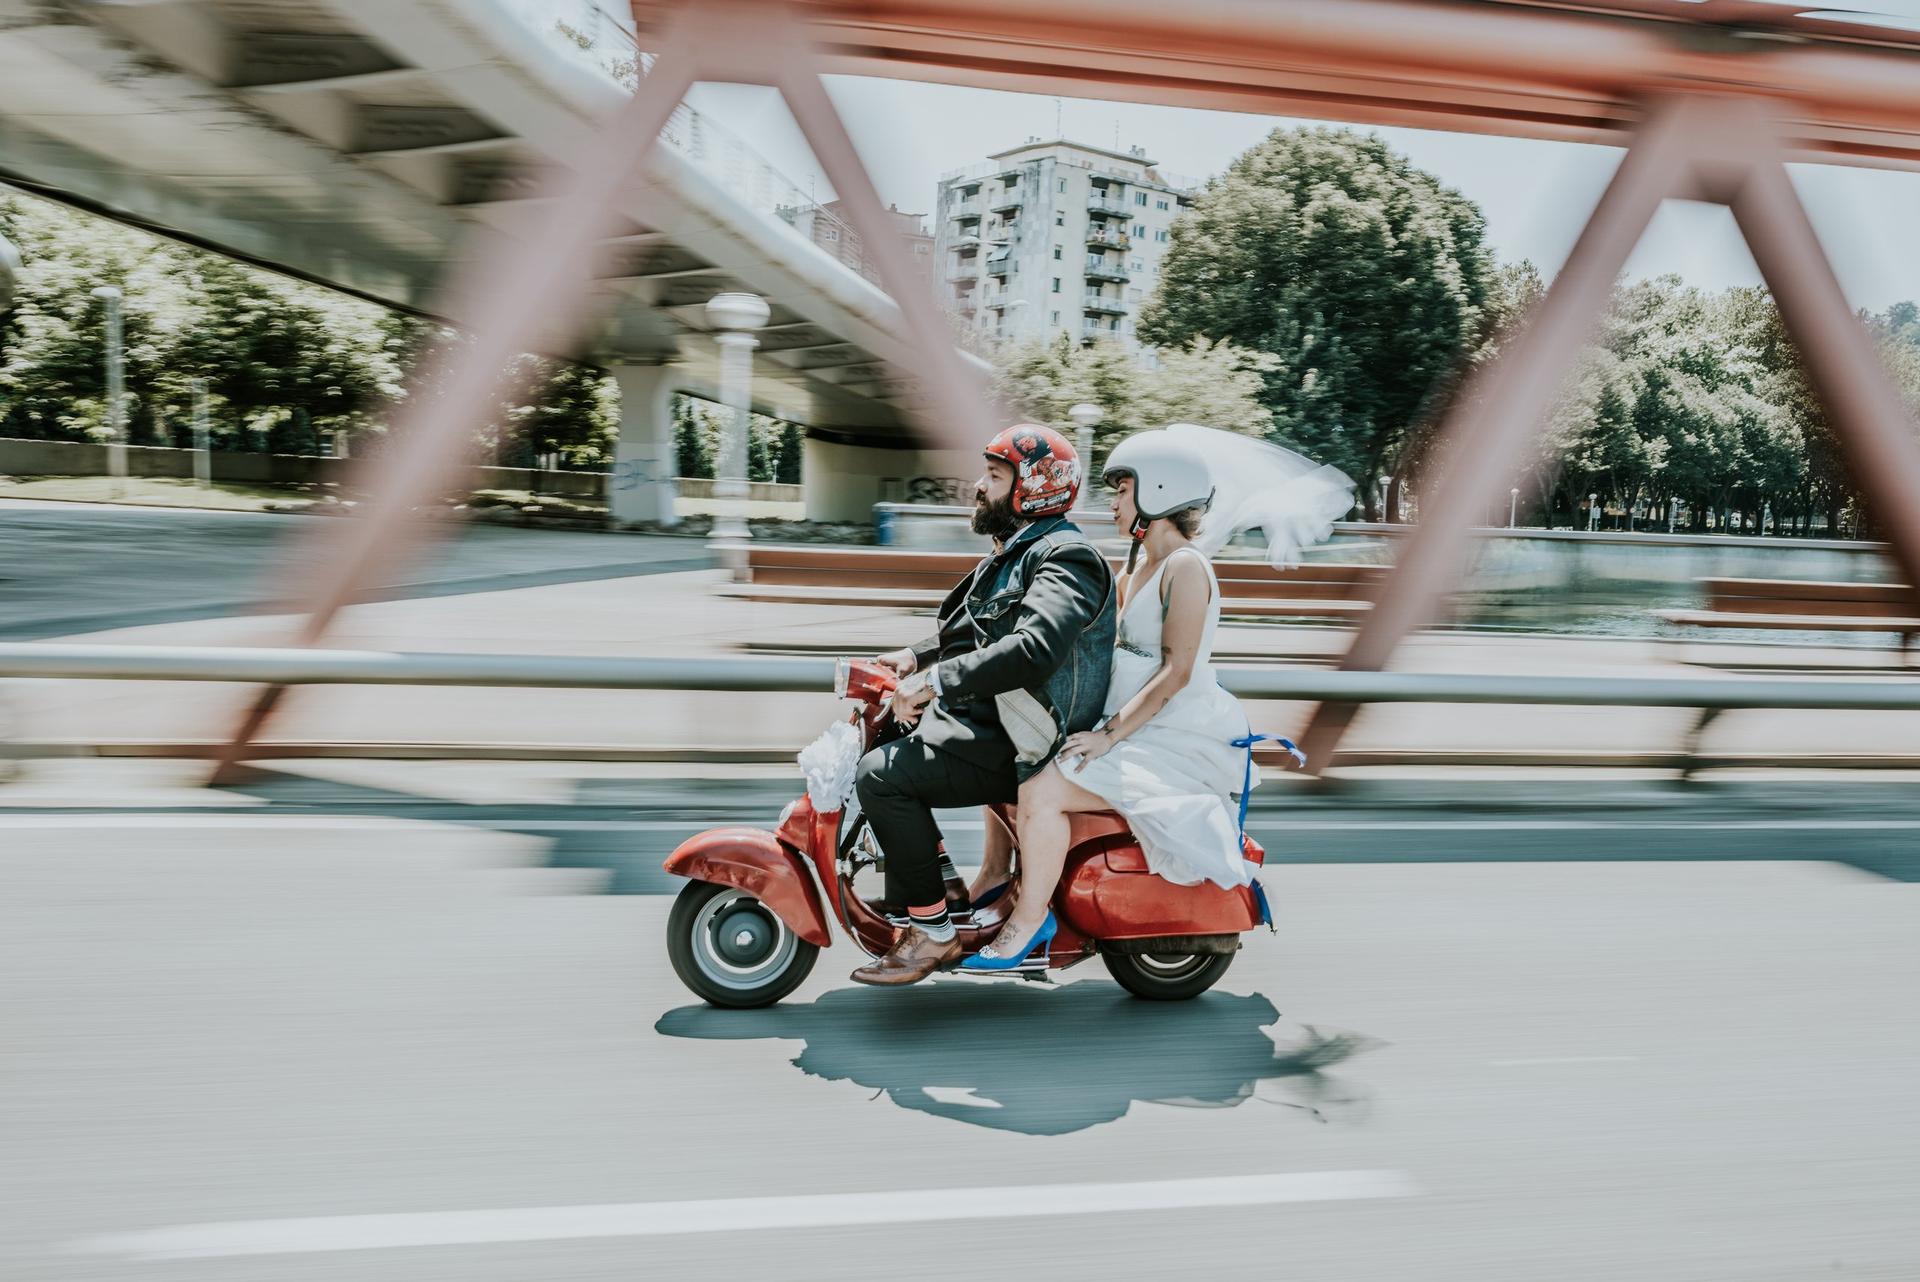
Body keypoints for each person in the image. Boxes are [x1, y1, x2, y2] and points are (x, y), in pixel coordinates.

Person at [966, 425, 1352, 971]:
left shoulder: (1186, 567)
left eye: (1123, 489)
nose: (1114, 501)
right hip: (1129, 722)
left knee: (1042, 794)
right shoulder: (1136, 563)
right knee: (1006, 756)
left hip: (1169, 734)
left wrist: (1107, 737)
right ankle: (993, 880)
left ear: (1162, 492)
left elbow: (1176, 671)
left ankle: (1029, 926)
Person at [850, 424, 1116, 987]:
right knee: (888, 740)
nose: (978, 486)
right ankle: (939, 887)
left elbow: (1032, 647)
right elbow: (978, 630)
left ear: (1032, 490)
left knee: (881, 777)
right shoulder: (1020, 552)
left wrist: (935, 682)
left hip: (1030, 737)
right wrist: (912, 656)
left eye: (994, 477)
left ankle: (934, 933)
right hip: (995, 717)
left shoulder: (1067, 559)